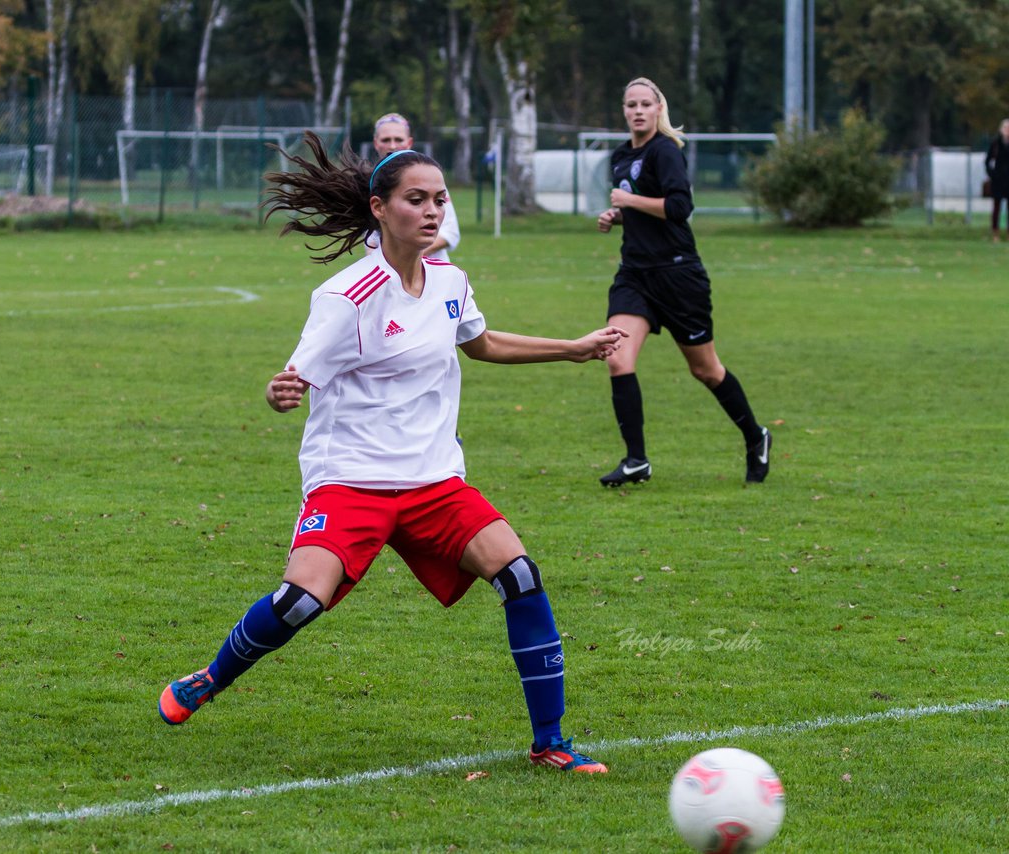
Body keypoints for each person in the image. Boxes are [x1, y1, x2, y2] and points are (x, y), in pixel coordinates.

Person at [158, 131, 628, 774]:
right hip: (350, 480)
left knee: (519, 575)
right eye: (417, 199)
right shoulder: (345, 299)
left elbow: (482, 343)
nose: (433, 210)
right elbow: (290, 382)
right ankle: (210, 678)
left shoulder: (449, 280)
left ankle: (551, 741)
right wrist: (279, 392)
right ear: (380, 209)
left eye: (439, 199)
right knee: (299, 602)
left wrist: (570, 347)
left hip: (434, 481)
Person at [594, 76, 771, 487]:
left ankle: (756, 435)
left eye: (645, 104)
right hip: (635, 274)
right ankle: (636, 459)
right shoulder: (621, 156)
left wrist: (629, 202)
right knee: (617, 356)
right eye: (630, 105)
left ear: (659, 110)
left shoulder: (665, 151)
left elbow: (679, 206)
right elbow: (639, 206)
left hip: (678, 275)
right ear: (624, 111)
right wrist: (616, 216)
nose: (637, 111)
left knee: (706, 370)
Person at [364, 113, 460, 261]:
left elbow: (450, 233)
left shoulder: (430, 180)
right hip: (387, 275)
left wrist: (407, 257)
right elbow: (370, 239)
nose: (392, 146)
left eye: (398, 139)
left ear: (409, 143)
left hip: (432, 275)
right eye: (386, 140)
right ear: (376, 143)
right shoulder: (369, 184)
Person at [985, 119, 1009, 241]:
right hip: (998, 180)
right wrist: (992, 174)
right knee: (996, 207)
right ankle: (995, 233)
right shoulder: (995, 144)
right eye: (1005, 128)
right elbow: (988, 161)